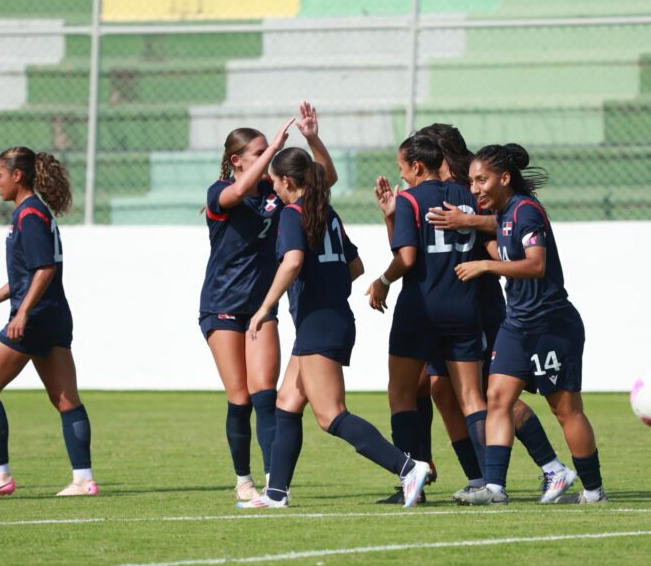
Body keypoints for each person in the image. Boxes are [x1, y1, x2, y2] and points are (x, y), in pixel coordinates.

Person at [239, 147, 430, 508]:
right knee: (287, 403)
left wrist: (265, 307)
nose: (273, 188)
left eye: (275, 181)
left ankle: (407, 468)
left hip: (320, 325)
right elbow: (355, 267)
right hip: (329, 320)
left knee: (330, 415)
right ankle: (276, 493)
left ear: (288, 181)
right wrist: (326, 284)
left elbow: (293, 261)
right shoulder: (326, 213)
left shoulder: (293, 215)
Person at [455, 143, 607, 505]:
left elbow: (535, 265)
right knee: (497, 398)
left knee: (565, 410)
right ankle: (494, 489)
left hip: (549, 325)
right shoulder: (505, 215)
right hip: (517, 324)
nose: (474, 188)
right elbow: (504, 248)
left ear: (504, 178)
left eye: (481, 180)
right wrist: (481, 245)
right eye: (471, 181)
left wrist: (485, 266)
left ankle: (592, 491)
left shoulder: (526, 212)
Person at [201, 102, 337, 502]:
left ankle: (274, 483)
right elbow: (238, 190)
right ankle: (243, 481)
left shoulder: (273, 191)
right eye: (258, 153)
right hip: (222, 304)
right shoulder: (222, 192)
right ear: (236, 160)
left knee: (267, 396)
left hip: (262, 307)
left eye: (269, 151)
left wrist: (311, 139)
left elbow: (324, 178)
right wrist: (276, 142)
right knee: (239, 397)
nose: (268, 157)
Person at [0, 146, 96, 498]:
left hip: (33, 319)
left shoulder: (29, 215)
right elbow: (29, 274)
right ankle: (83, 480)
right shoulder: (35, 212)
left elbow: (44, 270)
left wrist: (21, 313)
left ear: (17, 176)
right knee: (67, 401)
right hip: (53, 316)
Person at [366, 134, 492, 498]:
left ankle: (413, 484)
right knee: (471, 397)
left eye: (402, 167)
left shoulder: (410, 199)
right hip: (464, 307)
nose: (401, 174)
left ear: (417, 166)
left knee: (402, 394)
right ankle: (486, 480)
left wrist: (382, 281)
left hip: (420, 309)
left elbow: (406, 258)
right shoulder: (468, 198)